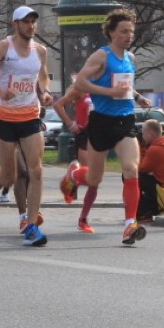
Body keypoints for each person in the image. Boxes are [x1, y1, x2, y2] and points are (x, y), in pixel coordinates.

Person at [64, 8, 153, 246]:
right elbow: (81, 81)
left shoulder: (130, 59)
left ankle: (128, 225)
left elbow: (124, 85)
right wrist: (107, 92)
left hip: (125, 121)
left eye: (131, 32)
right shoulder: (101, 56)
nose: (128, 36)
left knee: (131, 168)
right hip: (101, 122)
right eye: (123, 31)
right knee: (94, 179)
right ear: (112, 33)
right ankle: (73, 174)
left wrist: (137, 97)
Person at [0, 5, 53, 247]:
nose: (31, 26)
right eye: (26, 22)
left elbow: (43, 75)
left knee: (36, 170)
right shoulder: (4, 47)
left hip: (30, 116)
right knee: (8, 178)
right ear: (15, 24)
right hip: (5, 118)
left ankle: (31, 226)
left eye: (33, 22)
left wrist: (45, 92)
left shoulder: (40, 51)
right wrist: (0, 92)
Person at [52, 80, 97, 233]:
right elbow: (57, 104)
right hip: (84, 136)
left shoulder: (104, 86)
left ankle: (83, 219)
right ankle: (72, 176)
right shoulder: (80, 88)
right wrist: (71, 124)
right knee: (91, 178)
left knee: (94, 181)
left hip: (99, 136)